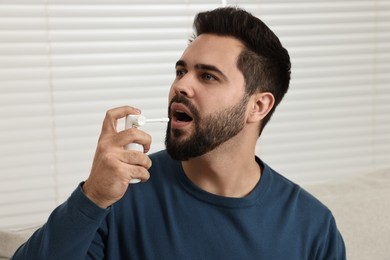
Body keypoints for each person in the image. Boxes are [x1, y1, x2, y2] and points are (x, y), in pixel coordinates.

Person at [12, 7, 346, 260]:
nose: (181, 85)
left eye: (208, 76)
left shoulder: (312, 226)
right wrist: (92, 198)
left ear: (257, 106)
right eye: (181, 71)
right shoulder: (120, 196)